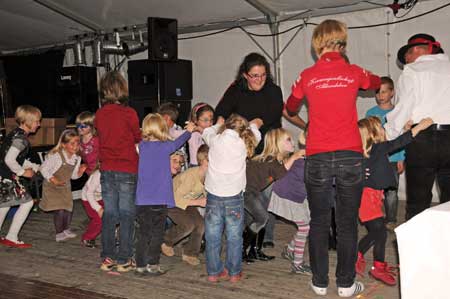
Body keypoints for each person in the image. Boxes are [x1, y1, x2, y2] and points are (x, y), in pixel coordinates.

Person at [285, 19, 380, 297]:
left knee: (319, 220)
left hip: (317, 156)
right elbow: (375, 83)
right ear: (343, 42)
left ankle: (319, 282)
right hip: (350, 155)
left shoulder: (306, 75)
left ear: (317, 45)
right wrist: (359, 77)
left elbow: (290, 106)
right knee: (348, 223)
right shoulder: (353, 71)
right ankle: (346, 284)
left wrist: (307, 114)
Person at [356, 116, 433, 286]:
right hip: (367, 198)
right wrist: (419, 127)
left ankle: (360, 256)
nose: (384, 129)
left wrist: (406, 130)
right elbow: (397, 143)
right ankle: (376, 267)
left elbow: (397, 141)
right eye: (381, 127)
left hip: (371, 196)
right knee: (380, 232)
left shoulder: (369, 151)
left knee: (377, 232)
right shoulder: (377, 149)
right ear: (374, 133)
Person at [385, 33, 450, 220]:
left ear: (416, 50)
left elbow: (403, 107)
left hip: (423, 139)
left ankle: (416, 247)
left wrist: (389, 136)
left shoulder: (413, 70)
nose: (406, 61)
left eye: (406, 56)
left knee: (418, 202)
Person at [203, 114, 261, 283]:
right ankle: (234, 272)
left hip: (214, 195)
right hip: (234, 196)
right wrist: (253, 125)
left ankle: (214, 273)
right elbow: (256, 133)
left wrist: (217, 124)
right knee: (234, 236)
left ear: (225, 126)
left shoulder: (215, 139)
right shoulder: (244, 143)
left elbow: (206, 131)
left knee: (212, 236)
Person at [134, 113, 194, 276]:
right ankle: (153, 264)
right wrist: (188, 131)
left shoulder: (141, 147)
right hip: (160, 201)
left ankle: (140, 265)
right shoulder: (165, 146)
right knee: (157, 235)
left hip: (142, 201)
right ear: (162, 129)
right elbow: (178, 142)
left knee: (143, 234)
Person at [95, 71, 141, 272]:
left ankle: (107, 258)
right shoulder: (129, 113)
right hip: (127, 168)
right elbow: (137, 137)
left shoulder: (99, 114)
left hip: (107, 169)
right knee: (127, 214)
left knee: (110, 214)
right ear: (122, 89)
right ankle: (124, 259)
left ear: (104, 91)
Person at [243, 128, 303, 263]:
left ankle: (255, 251)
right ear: (278, 143)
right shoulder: (270, 159)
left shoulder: (274, 159)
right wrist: (294, 157)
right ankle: (242, 250)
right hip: (246, 192)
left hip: (254, 191)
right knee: (262, 217)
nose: (292, 142)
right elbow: (280, 173)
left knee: (262, 218)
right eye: (288, 139)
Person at [269, 131, 311, 275]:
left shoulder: (305, 156)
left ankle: (289, 250)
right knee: (304, 227)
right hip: (288, 195)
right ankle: (297, 264)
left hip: (294, 194)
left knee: (305, 225)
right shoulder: (303, 158)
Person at [365, 77, 405, 229]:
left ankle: (391, 219)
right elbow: (366, 135)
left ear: (392, 93)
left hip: (393, 158)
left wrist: (401, 158)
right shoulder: (370, 113)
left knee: (391, 191)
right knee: (374, 189)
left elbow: (401, 137)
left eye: (383, 92)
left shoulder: (398, 112)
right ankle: (374, 217)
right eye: (377, 92)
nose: (380, 95)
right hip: (375, 158)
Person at [0, 105, 41, 248]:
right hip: (7, 177)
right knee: (27, 203)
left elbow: (17, 158)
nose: (39, 124)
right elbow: (9, 160)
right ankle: (11, 236)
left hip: (3, 175)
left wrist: (34, 166)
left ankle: (11, 236)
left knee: (4, 205)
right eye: (37, 121)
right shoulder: (21, 139)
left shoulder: (15, 134)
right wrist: (23, 172)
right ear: (28, 121)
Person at [161, 144, 209, 266]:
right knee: (188, 225)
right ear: (204, 161)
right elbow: (176, 199)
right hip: (170, 201)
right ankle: (166, 241)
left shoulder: (208, 176)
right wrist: (199, 202)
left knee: (200, 225)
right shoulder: (191, 175)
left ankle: (190, 253)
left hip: (188, 202)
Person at [39, 129, 86, 242]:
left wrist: (80, 172)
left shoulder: (76, 158)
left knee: (68, 208)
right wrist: (52, 179)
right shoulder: (57, 156)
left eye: (77, 143)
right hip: (52, 186)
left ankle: (66, 229)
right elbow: (43, 168)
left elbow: (73, 176)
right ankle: (59, 233)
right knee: (59, 209)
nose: (75, 146)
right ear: (64, 145)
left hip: (65, 186)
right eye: (72, 143)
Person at [158, 102, 188, 170]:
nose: (159, 122)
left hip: (178, 170)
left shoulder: (177, 130)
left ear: (166, 118)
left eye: (160, 119)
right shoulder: (158, 131)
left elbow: (182, 153)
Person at [80, 167, 103, 248]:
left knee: (111, 215)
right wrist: (98, 208)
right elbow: (89, 193)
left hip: (102, 197)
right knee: (99, 219)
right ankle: (87, 238)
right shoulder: (98, 175)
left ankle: (112, 237)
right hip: (88, 198)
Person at [76, 111, 99, 176]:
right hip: (86, 172)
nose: (79, 128)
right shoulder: (78, 140)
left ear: (92, 126)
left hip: (98, 171)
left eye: (83, 126)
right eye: (78, 125)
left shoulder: (97, 140)